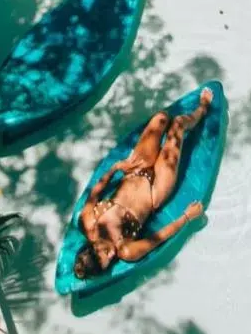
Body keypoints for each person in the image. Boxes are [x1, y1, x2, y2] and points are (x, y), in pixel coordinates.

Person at [72, 87, 213, 279]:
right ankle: (203, 109)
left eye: (105, 253)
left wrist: (115, 168)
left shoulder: (88, 222)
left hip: (134, 171)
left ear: (93, 247)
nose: (112, 255)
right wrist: (186, 217)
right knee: (178, 124)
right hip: (155, 191)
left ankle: (185, 119)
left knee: (161, 118)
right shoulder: (126, 251)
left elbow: (95, 193)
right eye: (108, 263)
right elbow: (159, 238)